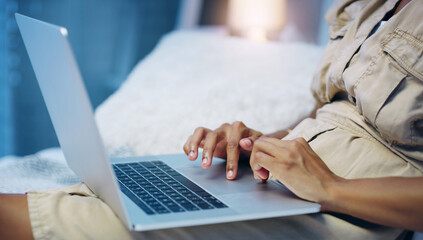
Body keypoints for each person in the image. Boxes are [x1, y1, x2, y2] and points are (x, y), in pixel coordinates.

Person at [0, 0, 422, 239]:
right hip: (282, 187)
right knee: (115, 193)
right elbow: (328, 112)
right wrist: (259, 144)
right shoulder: (370, 5)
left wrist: (330, 188)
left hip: (347, 214)